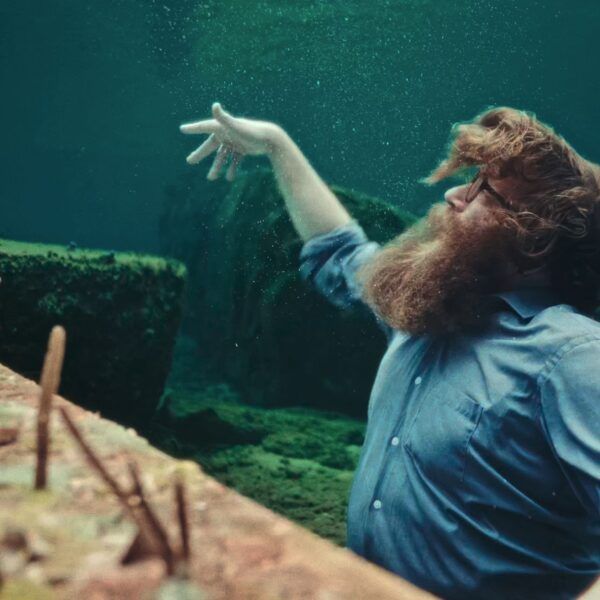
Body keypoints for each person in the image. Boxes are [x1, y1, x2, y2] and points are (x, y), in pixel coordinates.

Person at [180, 104, 600, 599]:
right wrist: (276, 144)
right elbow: (339, 251)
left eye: (483, 190)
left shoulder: (571, 356)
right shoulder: (431, 306)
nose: (454, 195)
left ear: (534, 237)